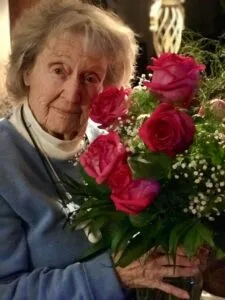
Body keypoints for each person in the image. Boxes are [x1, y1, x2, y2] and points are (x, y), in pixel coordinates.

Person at [0, 0, 201, 299]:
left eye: (90, 77)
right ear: (27, 70)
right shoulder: (5, 161)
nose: (72, 93)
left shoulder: (114, 143)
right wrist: (113, 276)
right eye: (59, 70)